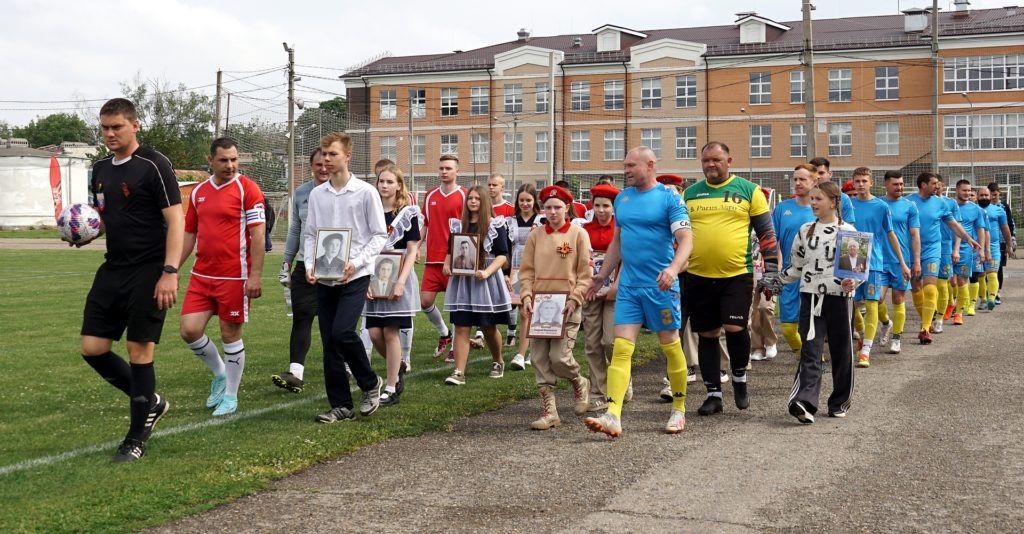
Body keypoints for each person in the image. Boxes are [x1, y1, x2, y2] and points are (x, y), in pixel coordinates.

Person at [79, 97, 183, 462]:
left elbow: (176, 220)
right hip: (114, 268)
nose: (110, 134)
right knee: (92, 348)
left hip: (150, 270)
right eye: (105, 128)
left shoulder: (154, 164)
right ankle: (152, 402)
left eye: (117, 127)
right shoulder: (99, 169)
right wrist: (85, 232)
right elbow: (106, 217)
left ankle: (135, 439)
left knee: (139, 351)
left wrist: (170, 271)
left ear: (135, 125)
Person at [583, 146, 693, 437]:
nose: (626, 170)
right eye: (625, 165)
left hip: (661, 287)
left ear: (650, 165)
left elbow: (686, 239)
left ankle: (679, 409)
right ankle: (613, 415)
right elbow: (617, 242)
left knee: (670, 345)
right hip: (629, 287)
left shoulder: (669, 198)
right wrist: (602, 276)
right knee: (621, 348)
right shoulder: (623, 199)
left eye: (631, 165)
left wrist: (673, 269)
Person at [684, 142, 780, 417]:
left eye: (716, 159)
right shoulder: (690, 194)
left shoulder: (749, 190)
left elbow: (766, 233)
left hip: (737, 274)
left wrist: (771, 271)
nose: (710, 165)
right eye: (706, 160)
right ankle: (713, 394)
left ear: (729, 160)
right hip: (698, 275)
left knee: (735, 327)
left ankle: (739, 379)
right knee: (708, 334)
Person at [178, 137, 266, 417]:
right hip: (201, 275)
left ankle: (230, 396)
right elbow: (189, 232)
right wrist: (172, 268)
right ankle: (220, 374)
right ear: (210, 160)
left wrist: (255, 276)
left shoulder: (248, 189)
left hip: (235, 278)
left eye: (234, 159)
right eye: (224, 160)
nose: (230, 165)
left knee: (230, 334)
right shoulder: (198, 192)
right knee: (189, 330)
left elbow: (258, 235)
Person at [303, 133, 387, 423]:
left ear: (348, 156)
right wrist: (310, 264)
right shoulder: (318, 194)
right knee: (329, 341)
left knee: (342, 333)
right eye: (324, 154)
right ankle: (341, 405)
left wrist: (357, 262)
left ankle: (370, 382)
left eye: (333, 154)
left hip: (356, 275)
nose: (326, 159)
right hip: (325, 276)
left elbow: (379, 235)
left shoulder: (365, 192)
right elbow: (311, 234)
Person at [781, 181, 861, 424]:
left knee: (842, 351)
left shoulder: (849, 231)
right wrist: (776, 281)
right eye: (812, 199)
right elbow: (795, 266)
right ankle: (804, 403)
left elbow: (855, 272)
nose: (813, 203)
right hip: (811, 297)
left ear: (834, 202)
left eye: (818, 199)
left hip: (840, 300)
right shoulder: (805, 230)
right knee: (810, 350)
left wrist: (852, 283)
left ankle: (839, 402)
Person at [519, 185, 593, 429]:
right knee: (539, 358)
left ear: (567, 207)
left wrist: (575, 298)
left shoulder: (578, 234)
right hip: (539, 307)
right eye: (548, 207)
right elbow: (527, 271)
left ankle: (579, 381)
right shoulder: (535, 236)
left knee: (559, 358)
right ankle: (550, 412)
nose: (552, 212)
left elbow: (585, 273)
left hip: (567, 306)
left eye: (557, 207)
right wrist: (526, 297)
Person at [442, 185, 513, 385]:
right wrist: (447, 265)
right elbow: (451, 251)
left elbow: (502, 256)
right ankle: (459, 372)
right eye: (470, 198)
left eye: (477, 198)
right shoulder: (459, 226)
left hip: (486, 281)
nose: (473, 201)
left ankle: (498, 360)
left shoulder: (495, 224)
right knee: (461, 326)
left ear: (484, 202)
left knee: (488, 327)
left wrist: (487, 272)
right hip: (463, 282)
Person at [363, 163, 421, 406]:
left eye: (389, 182)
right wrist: (366, 279)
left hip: (398, 276)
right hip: (374, 276)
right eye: (381, 181)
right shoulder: (369, 210)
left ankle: (390, 385)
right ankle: (397, 369)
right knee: (374, 333)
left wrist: (400, 282)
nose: (384, 185)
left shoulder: (408, 213)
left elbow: (412, 250)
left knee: (390, 331)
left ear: (399, 185)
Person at [274, 148, 330, 393]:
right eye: (318, 164)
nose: (323, 168)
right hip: (305, 265)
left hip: (334, 266)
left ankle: (346, 366)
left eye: (327, 164)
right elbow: (295, 230)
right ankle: (295, 372)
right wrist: (286, 262)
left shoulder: (345, 191)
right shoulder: (301, 193)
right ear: (311, 166)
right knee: (302, 316)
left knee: (335, 323)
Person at [908, 172, 980, 345]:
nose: (938, 186)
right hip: (912, 250)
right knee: (916, 288)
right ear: (923, 185)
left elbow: (953, 224)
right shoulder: (908, 202)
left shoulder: (941, 203)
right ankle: (926, 319)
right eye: (934, 183)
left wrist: (968, 238)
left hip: (933, 249)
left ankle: (925, 328)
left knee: (931, 287)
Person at [848, 167, 909, 367]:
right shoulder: (848, 204)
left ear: (871, 183)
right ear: (853, 183)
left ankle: (866, 350)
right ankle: (863, 335)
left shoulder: (881, 206)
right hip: (852, 258)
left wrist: (902, 262)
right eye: (857, 181)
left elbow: (891, 234)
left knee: (872, 302)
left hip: (873, 260)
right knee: (853, 304)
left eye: (864, 181)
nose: (861, 184)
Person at [420, 155, 466, 362]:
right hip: (432, 260)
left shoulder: (465, 195)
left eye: (448, 168)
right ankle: (444, 333)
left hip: (456, 260)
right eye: (441, 168)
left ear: (457, 171)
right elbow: (425, 225)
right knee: (425, 302)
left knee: (456, 306)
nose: (444, 171)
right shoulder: (430, 195)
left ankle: (456, 347)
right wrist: (415, 248)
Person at [580, 183, 620, 411]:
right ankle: (599, 392)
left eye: (606, 206)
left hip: (615, 291)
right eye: (597, 205)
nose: (601, 210)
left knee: (610, 341)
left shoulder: (620, 229)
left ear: (613, 208)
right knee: (593, 343)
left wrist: (616, 286)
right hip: (591, 291)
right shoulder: (584, 230)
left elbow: (627, 259)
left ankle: (621, 382)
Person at [773, 164, 818, 355]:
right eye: (795, 179)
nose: (797, 183)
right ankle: (806, 357)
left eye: (802, 179)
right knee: (788, 328)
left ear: (814, 181)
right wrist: (775, 267)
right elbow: (772, 240)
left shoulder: (821, 209)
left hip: (817, 275)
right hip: (790, 274)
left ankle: (812, 362)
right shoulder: (782, 208)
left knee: (814, 325)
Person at [879, 170, 921, 354]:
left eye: (902, 184)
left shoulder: (910, 206)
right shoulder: (878, 204)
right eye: (895, 184)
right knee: (877, 299)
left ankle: (896, 338)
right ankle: (886, 323)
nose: (900, 187)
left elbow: (915, 234)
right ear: (886, 184)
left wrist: (916, 260)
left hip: (901, 260)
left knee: (898, 298)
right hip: (879, 260)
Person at [508, 183, 544, 369]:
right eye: (521, 200)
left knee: (532, 310)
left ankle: (527, 353)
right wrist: (507, 273)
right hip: (517, 269)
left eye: (528, 200)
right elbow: (507, 248)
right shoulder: (510, 221)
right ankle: (525, 352)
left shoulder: (542, 219)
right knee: (524, 310)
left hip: (538, 267)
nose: (525, 204)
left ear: (534, 201)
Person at [951, 179, 988, 326]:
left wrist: (982, 249)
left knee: (962, 281)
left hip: (966, 250)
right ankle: (950, 304)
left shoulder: (976, 209)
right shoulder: (949, 205)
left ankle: (959, 313)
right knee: (949, 281)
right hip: (946, 248)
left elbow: (981, 230)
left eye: (969, 190)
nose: (967, 193)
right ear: (956, 190)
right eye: (964, 190)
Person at [978, 186, 1012, 310]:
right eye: (981, 195)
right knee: (980, 275)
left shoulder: (999, 210)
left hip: (993, 247)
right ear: (977, 196)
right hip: (976, 248)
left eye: (986, 195)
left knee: (992, 273)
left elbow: (1005, 229)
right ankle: (983, 300)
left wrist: (1009, 245)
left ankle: (992, 299)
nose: (984, 197)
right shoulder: (973, 209)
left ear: (991, 196)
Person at [987, 182, 1016, 302]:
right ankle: (988, 292)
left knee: (998, 267)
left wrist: (1012, 238)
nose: (994, 197)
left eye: (996, 194)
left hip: (1001, 241)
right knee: (986, 268)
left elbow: (1010, 223)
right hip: (987, 241)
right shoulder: (983, 207)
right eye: (991, 195)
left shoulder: (1004, 206)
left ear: (999, 193)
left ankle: (997, 292)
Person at [809, 157, 857, 224]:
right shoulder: (804, 198)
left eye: (821, 173)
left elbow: (849, 225)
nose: (818, 177)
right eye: (814, 174)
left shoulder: (843, 198)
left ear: (830, 174)